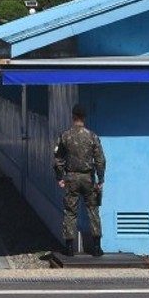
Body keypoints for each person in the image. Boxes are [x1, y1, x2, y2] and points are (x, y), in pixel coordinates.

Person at [53, 103, 106, 257]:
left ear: (73, 116)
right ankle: (96, 247)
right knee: (93, 210)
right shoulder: (92, 136)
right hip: (88, 178)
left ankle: (69, 247)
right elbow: (100, 160)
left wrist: (60, 177)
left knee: (70, 212)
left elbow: (58, 159)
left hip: (71, 178)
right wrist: (100, 179)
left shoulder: (65, 136)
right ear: (84, 117)